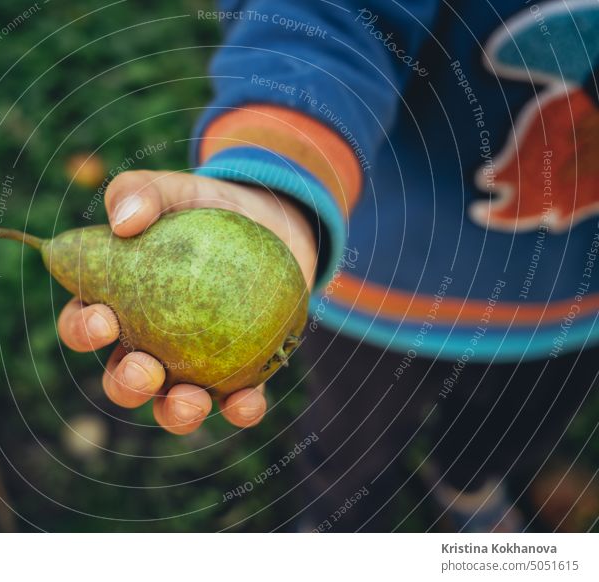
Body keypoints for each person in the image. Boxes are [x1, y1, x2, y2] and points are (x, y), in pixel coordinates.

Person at [57, 0, 599, 531]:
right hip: (383, 294)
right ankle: (336, 524)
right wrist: (280, 178)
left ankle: (468, 482)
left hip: (577, 312)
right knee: (350, 440)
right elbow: (326, 18)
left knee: (514, 426)